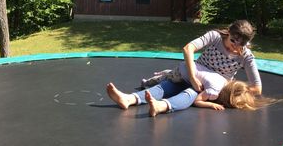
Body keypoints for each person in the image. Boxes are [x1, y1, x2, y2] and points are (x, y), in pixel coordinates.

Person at [107, 20, 262, 116]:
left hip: (210, 86)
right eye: (233, 40)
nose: (234, 46)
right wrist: (193, 77)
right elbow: (188, 48)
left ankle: (161, 106)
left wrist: (232, 91)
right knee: (166, 86)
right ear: (228, 32)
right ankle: (128, 99)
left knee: (191, 93)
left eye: (240, 44)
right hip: (194, 73)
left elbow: (257, 88)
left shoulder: (246, 56)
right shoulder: (215, 37)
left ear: (246, 43)